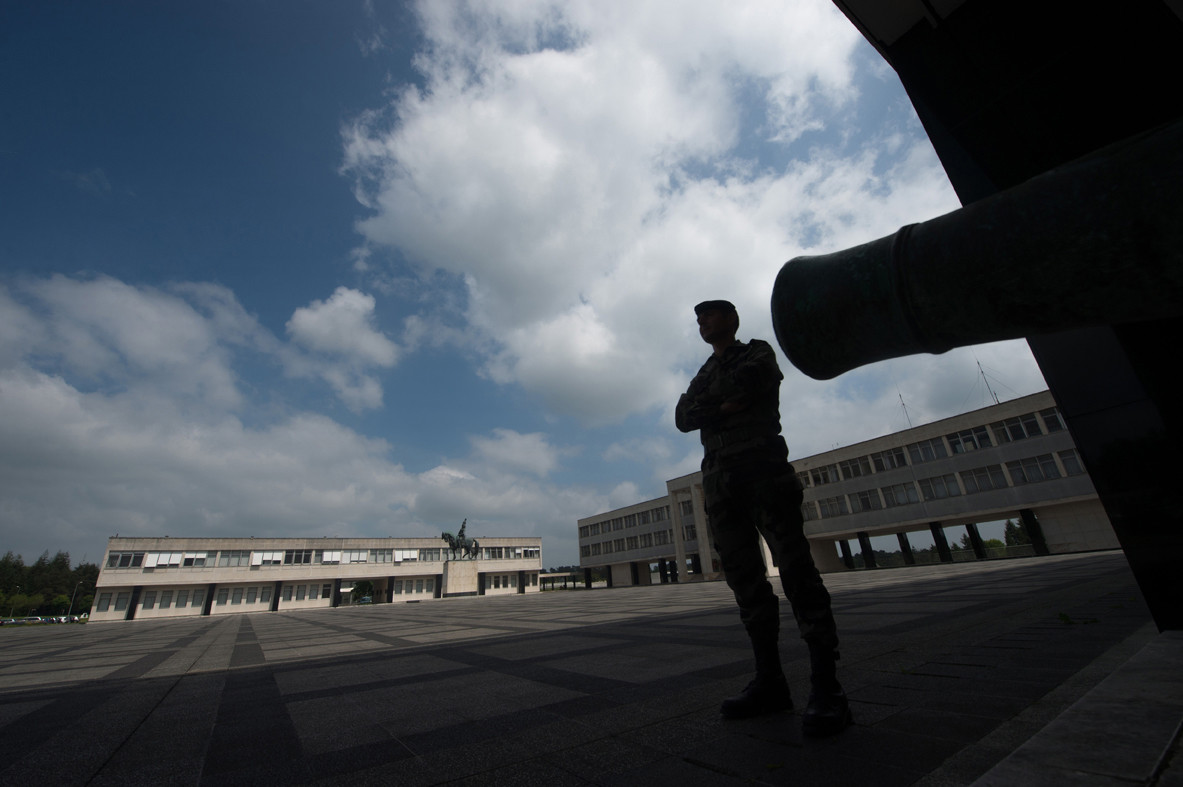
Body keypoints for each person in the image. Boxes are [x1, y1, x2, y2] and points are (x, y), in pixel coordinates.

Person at [675, 299, 850, 736]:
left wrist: (710, 407)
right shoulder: (704, 372)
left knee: (797, 573)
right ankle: (770, 682)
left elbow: (749, 382)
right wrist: (725, 405)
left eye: (709, 314)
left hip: (763, 471)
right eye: (698, 318)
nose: (702, 321)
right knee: (745, 583)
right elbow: (682, 416)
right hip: (720, 484)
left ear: (731, 319)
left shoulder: (757, 351)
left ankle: (827, 687)